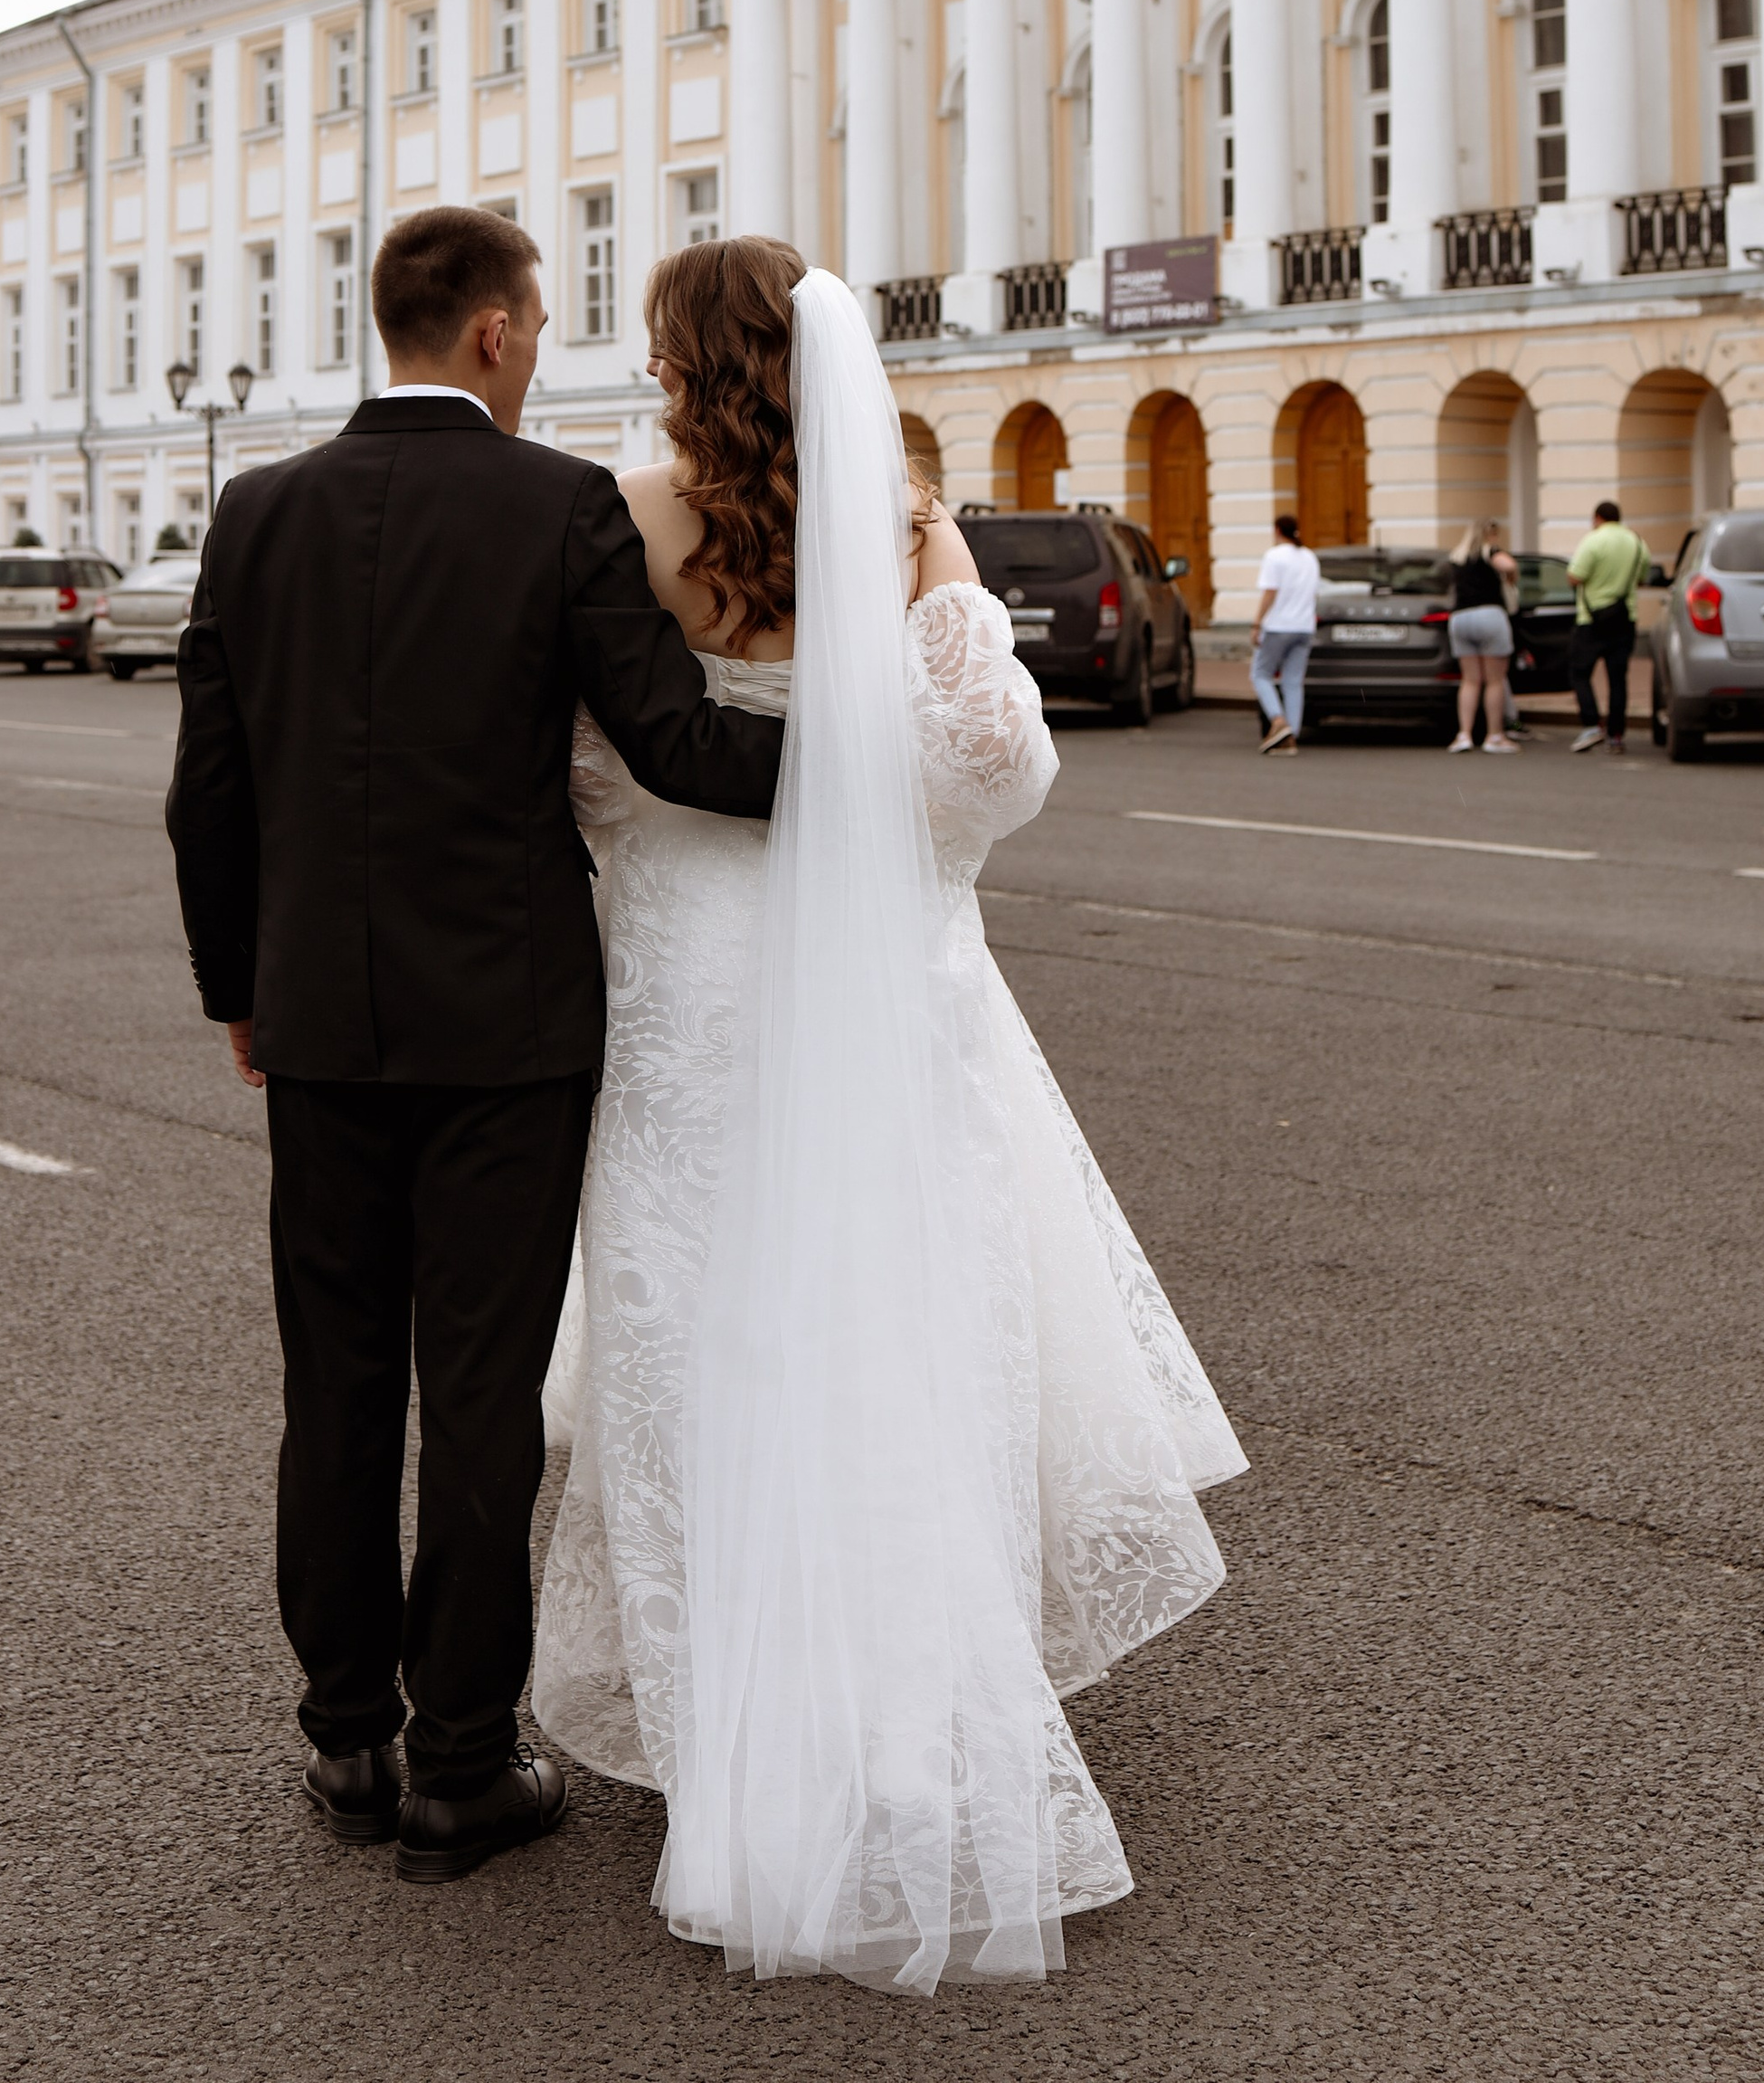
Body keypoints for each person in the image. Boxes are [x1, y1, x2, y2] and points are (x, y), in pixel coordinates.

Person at [532, 241, 1244, 1994]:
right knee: (901, 1325)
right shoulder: (906, 527)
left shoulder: (619, 523)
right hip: (882, 973)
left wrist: (642, 852)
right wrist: (887, 830)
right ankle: (913, 1705)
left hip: (691, 980)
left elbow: (577, 772)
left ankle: (732, 1733)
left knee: (702, 1332)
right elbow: (999, 773)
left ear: (680, 361)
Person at [166, 207, 785, 1886]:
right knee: (483, 1394)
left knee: (340, 1378)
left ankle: (349, 1738)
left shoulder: (258, 511)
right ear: (502, 333)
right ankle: (461, 1762)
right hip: (509, 1030)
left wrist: (242, 993)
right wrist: (875, 772)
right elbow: (670, 743)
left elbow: (207, 791)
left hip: (319, 1026)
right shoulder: (554, 506)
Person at [1567, 496, 1651, 755]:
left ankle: (1592, 724)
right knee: (1618, 679)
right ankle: (1616, 735)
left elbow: (1574, 576)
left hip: (1591, 620)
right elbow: (1642, 579)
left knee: (1579, 673)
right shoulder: (1637, 543)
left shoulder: (1593, 540)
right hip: (1625, 619)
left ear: (1597, 518)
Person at [1447, 519, 1520, 755]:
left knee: (1470, 680)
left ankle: (1464, 734)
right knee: (1494, 680)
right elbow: (1508, 565)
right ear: (1490, 535)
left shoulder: (1458, 557)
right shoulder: (1491, 552)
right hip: (1489, 616)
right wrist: (1511, 578)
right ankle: (1494, 736)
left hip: (1460, 619)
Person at [1250, 510, 1320, 753]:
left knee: (1260, 675)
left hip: (1279, 626)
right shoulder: (1310, 557)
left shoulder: (1274, 556)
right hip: (1304, 627)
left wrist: (1257, 623)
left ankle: (1278, 721)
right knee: (1293, 682)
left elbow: (1270, 592)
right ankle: (1291, 735)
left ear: (1277, 531)